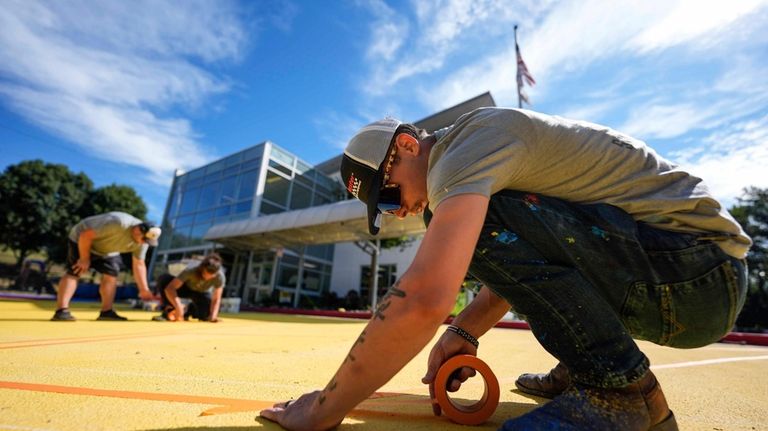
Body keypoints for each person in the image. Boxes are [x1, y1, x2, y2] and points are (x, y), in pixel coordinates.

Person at [259, 108, 750, 430]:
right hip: (693, 277)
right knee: (480, 220)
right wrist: (465, 330)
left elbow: (428, 296)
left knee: (465, 222)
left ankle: (618, 391)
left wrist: (325, 408)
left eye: (387, 194)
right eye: (382, 209)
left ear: (407, 147)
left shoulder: (463, 150)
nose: (396, 210)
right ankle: (590, 369)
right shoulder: (479, 156)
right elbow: (540, 257)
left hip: (696, 270)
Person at [51, 211, 161, 321]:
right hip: (81, 239)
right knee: (75, 271)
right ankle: (61, 311)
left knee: (112, 274)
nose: (143, 243)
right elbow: (86, 235)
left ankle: (106, 312)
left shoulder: (143, 243)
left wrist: (144, 289)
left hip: (107, 250)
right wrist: (84, 258)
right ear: (138, 230)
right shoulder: (119, 223)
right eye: (143, 239)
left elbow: (139, 264)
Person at [152, 253, 226, 322]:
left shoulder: (220, 276)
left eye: (211, 276)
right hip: (186, 288)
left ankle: (188, 310)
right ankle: (169, 310)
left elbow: (216, 298)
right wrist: (178, 306)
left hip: (201, 292)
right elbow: (170, 288)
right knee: (164, 280)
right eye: (205, 274)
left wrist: (213, 316)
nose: (207, 278)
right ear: (202, 268)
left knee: (209, 313)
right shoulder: (191, 270)